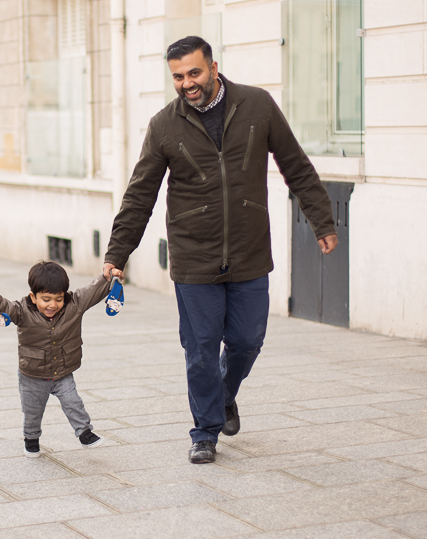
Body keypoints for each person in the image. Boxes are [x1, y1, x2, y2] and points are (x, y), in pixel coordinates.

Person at [103, 36, 338, 464]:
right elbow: (140, 195)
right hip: (194, 256)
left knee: (248, 340)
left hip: (249, 250)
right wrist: (118, 254)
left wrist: (321, 219)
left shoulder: (257, 106)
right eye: (178, 77)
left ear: (214, 67)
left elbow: (296, 165)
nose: (187, 84)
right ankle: (205, 431)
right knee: (201, 349)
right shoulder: (164, 126)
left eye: (194, 73)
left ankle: (225, 395)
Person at [0, 261, 121, 456]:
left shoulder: (75, 304)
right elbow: (6, 307)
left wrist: (108, 277)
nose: (52, 305)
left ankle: (85, 433)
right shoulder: (22, 310)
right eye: (46, 299)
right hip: (33, 375)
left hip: (62, 372)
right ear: (33, 296)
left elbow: (93, 290)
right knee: (32, 411)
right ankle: (31, 439)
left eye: (58, 299)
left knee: (74, 402)